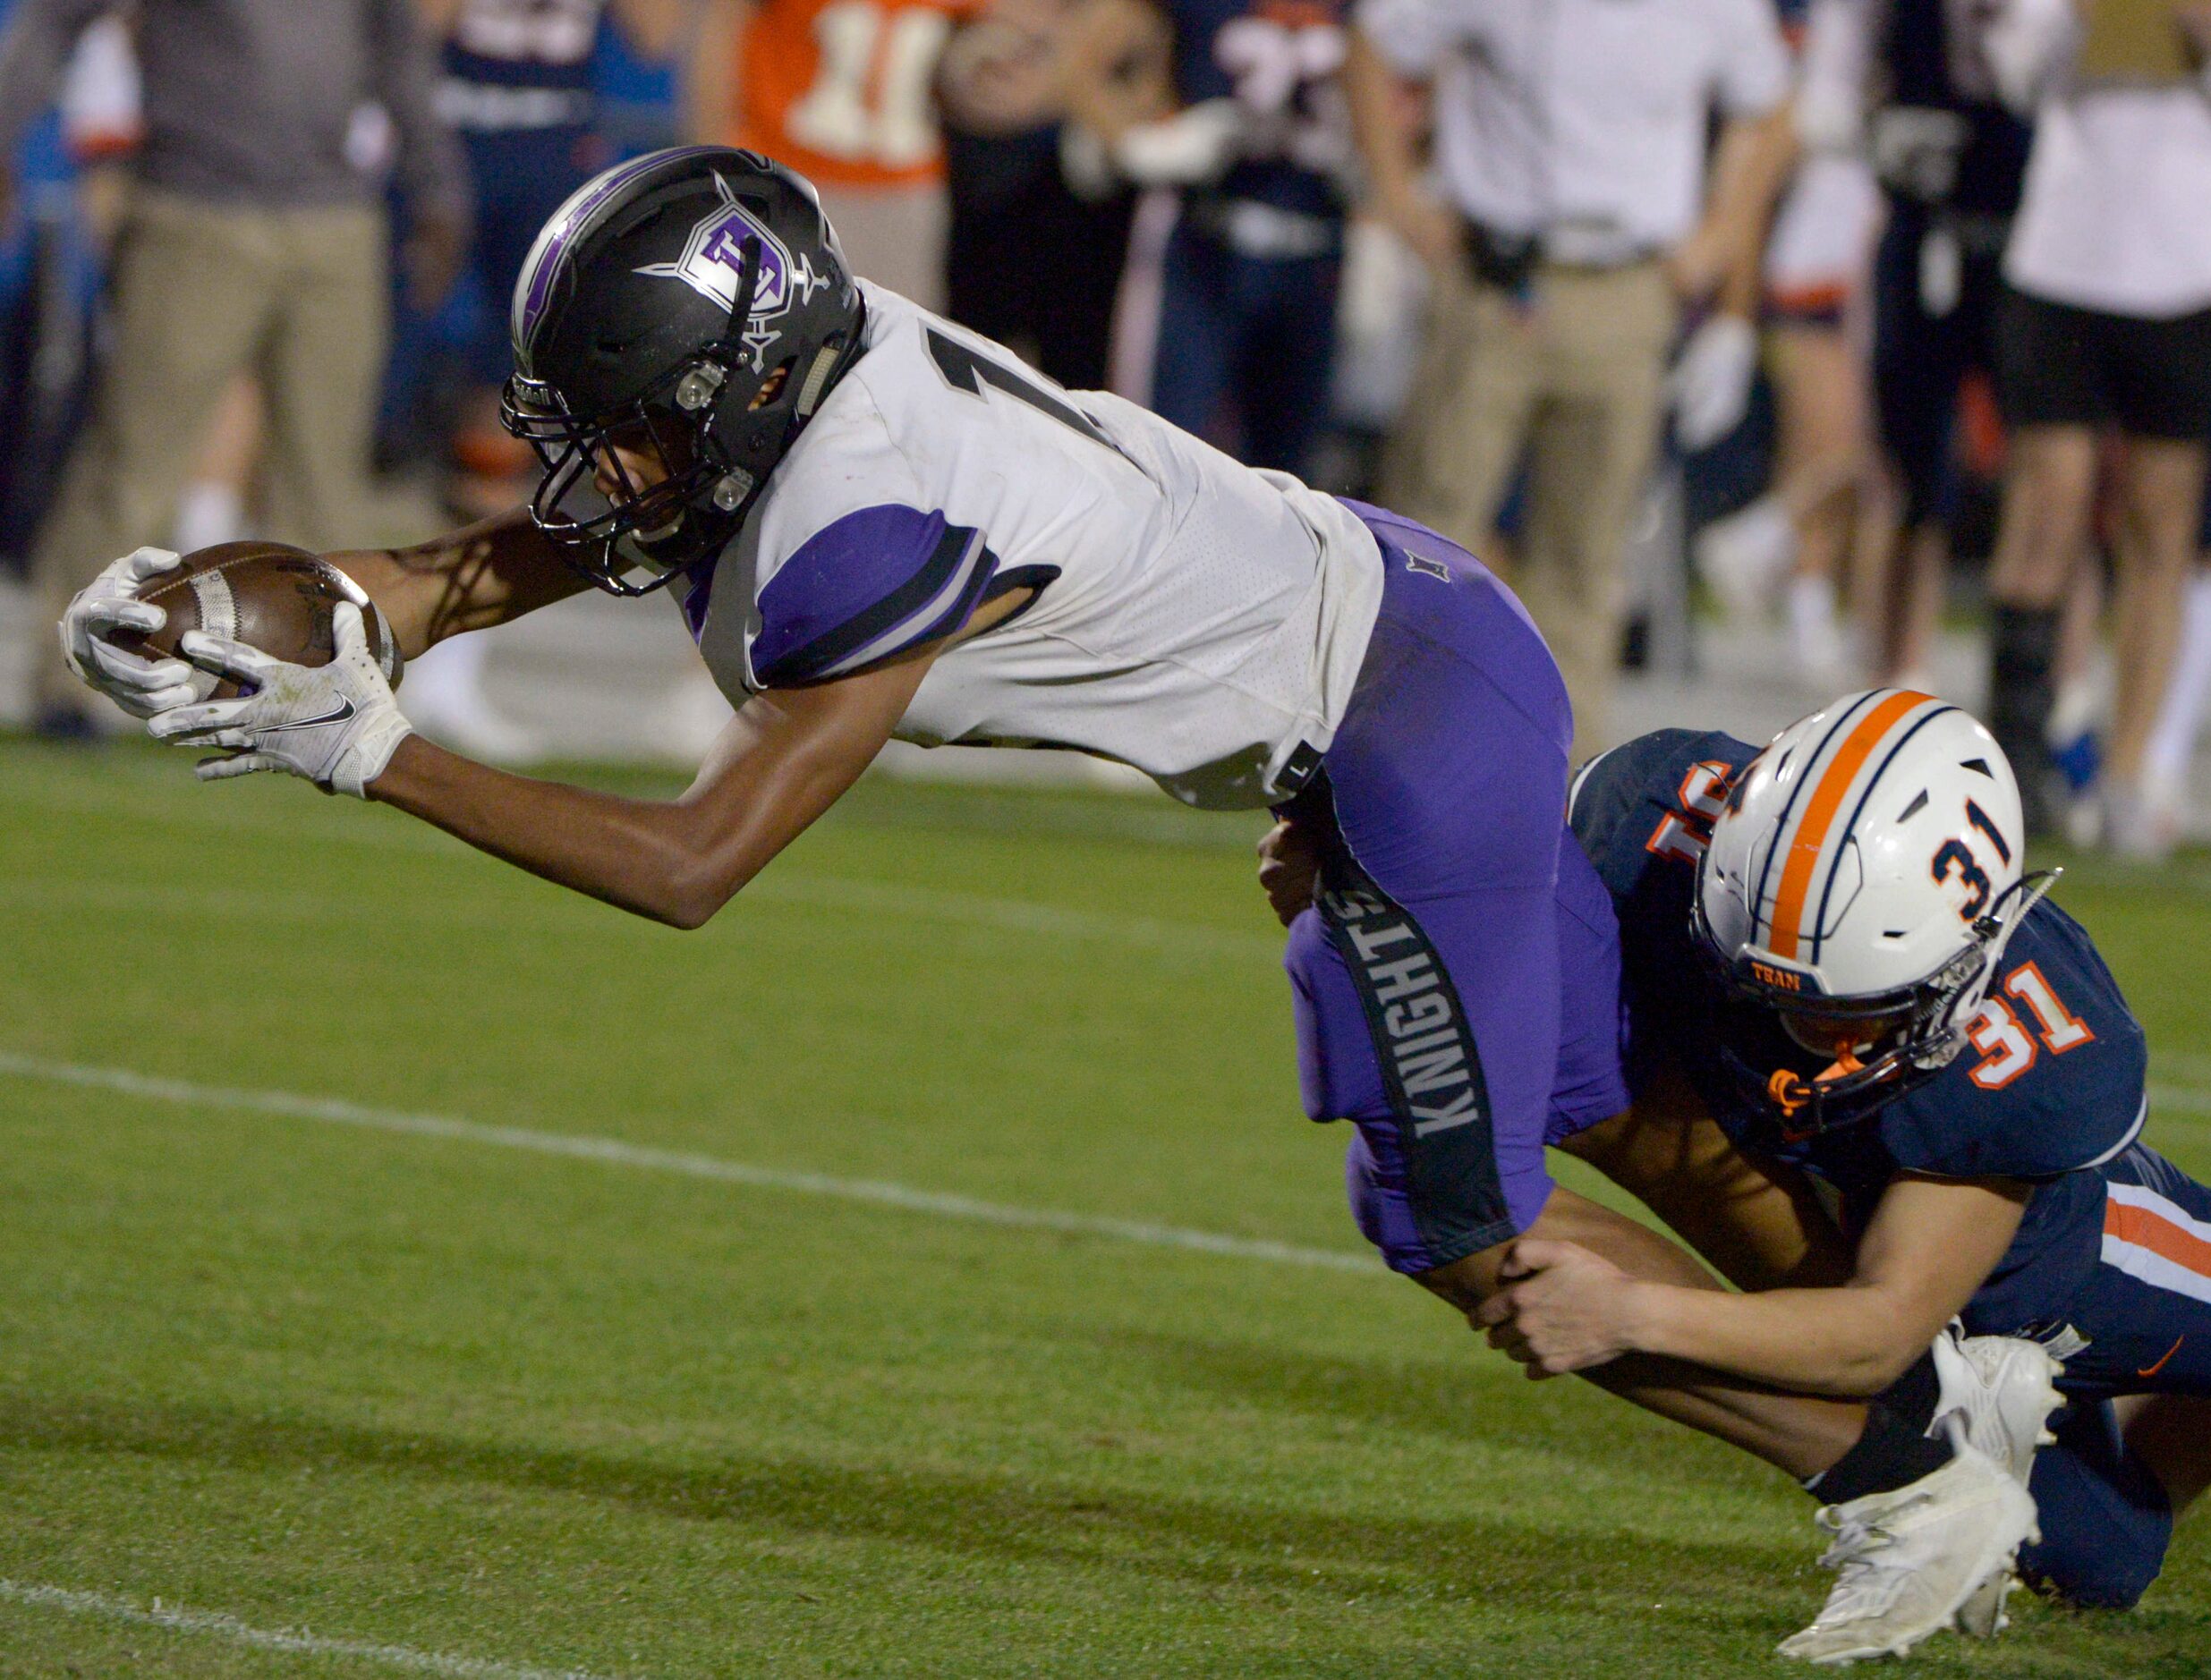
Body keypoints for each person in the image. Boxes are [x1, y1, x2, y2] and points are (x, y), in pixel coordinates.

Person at [62, 147, 2034, 1650]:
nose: (605, 465)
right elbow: (477, 563)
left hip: (1401, 715)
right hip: (1396, 646)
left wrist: (372, 753)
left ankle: (1906, 1467)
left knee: (1447, 1214)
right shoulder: (792, 400)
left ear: (745, 389)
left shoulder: (864, 518)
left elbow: (689, 868)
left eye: (639, 420)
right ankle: (1913, 1357)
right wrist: (209, 610)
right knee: (1608, 1110)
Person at [1485, 691, 2211, 1624]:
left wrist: (1631, 1313)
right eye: (1761, 988)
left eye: (1849, 1010)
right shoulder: (1643, 816)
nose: (1804, 1039)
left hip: (2069, 1260)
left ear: (1967, 955)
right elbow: (1475, 871)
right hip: (1873, 1259)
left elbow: (1879, 1330)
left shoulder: (2033, 1055)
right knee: (2097, 1564)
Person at [0, 0, 471, 737]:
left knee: (324, 478)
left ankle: (312, 687)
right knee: (136, 459)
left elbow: (397, 52)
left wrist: (438, 185)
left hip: (336, 217)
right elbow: (57, 20)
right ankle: (74, 679)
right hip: (196, 203)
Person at [1344, 0, 1795, 757]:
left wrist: (1720, 236)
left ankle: (1560, 786)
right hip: (1494, 281)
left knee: (1585, 567)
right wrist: (1396, 198)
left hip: (1627, 288)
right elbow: (1371, 42)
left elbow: (1773, 109)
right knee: (1430, 540)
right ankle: (1388, 764)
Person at [1977, 0, 2211, 844]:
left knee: (2161, 528)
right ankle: (2012, 755)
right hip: (2062, 254)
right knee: (2047, 504)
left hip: (2185, 265)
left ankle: (2128, 771)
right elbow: (2010, 72)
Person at [1059, 0, 1356, 475]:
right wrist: (1136, 143)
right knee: (1155, 456)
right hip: (1206, 239)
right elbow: (1079, 57)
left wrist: (1392, 176)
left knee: (1291, 481)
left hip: (1316, 250)